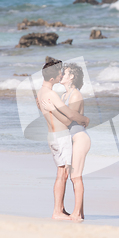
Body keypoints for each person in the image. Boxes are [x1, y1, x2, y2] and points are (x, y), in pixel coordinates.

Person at [37, 58, 89, 220]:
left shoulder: (42, 93)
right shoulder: (53, 94)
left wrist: (82, 119)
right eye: (60, 73)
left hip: (57, 136)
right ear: (52, 79)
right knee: (65, 175)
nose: (61, 76)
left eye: (64, 73)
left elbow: (69, 116)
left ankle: (67, 211)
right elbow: (68, 119)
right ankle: (60, 211)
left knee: (67, 174)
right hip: (61, 137)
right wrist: (85, 119)